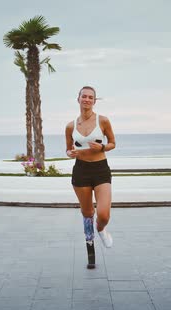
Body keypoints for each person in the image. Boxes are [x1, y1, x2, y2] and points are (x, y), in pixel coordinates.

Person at [65, 86, 116, 269]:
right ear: (78, 99)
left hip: (101, 170)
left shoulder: (103, 121)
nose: (87, 99)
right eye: (83, 96)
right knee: (87, 214)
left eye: (90, 97)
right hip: (81, 171)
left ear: (94, 101)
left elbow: (112, 143)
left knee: (103, 214)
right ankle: (90, 251)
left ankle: (101, 229)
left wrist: (101, 148)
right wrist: (70, 153)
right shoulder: (70, 126)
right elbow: (69, 148)